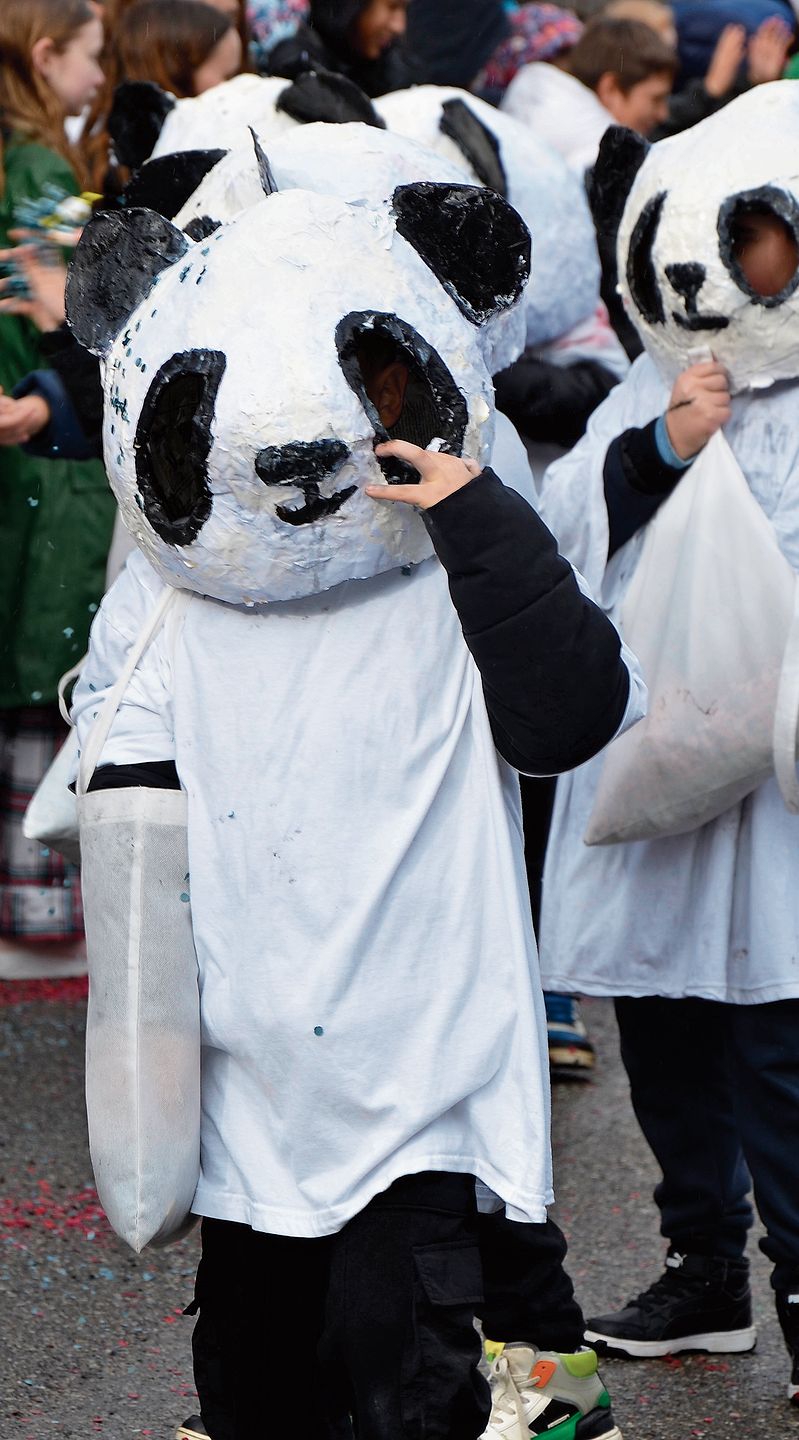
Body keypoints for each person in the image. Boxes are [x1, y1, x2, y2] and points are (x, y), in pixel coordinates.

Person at [68, 168, 644, 1440]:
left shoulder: (457, 567)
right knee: (256, 1389)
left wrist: (477, 514)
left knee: (425, 1381)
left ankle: (555, 1406)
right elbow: (121, 828)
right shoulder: (166, 605)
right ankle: (555, 1403)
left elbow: (570, 714)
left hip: (423, 1081)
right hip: (246, 1092)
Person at [536, 84, 799, 1409]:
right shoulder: (653, 380)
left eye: (744, 236)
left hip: (783, 796)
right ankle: (703, 1265)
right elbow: (568, 522)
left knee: (778, 1043)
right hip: (661, 770)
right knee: (665, 1014)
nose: (710, 267)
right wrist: (654, 445)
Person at [0, 0, 116, 981]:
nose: (98, 77)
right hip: (43, 461)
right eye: (90, 59)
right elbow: (75, 318)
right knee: (46, 670)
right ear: (45, 57)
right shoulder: (42, 175)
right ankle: (38, 903)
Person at [501, 17, 677, 172]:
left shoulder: (530, 99)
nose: (663, 114)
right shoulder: (600, 160)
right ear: (611, 89)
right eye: (656, 99)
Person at [268, 0, 414, 96]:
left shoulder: (394, 68)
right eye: (392, 7)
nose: (399, 26)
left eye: (404, 9)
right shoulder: (294, 64)